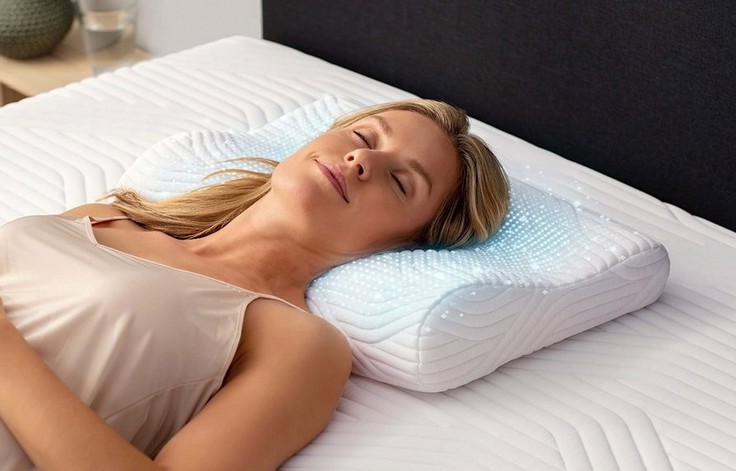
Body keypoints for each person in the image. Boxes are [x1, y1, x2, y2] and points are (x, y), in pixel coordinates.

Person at [0, 99, 510, 470]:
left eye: (400, 182)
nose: (363, 161)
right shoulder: (102, 216)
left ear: (404, 244)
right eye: (363, 137)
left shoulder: (299, 343)